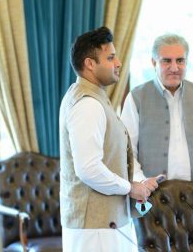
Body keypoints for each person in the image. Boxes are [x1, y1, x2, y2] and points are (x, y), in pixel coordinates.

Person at [59, 26, 158, 252]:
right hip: (95, 230)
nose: (119, 63)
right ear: (90, 64)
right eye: (110, 57)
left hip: (106, 224)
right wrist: (130, 188)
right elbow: (88, 169)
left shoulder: (94, 99)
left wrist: (138, 183)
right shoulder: (87, 104)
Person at [121, 34, 193, 186]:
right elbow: (126, 150)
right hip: (151, 195)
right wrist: (141, 180)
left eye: (180, 60)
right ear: (154, 62)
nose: (174, 68)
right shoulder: (136, 97)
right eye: (167, 61)